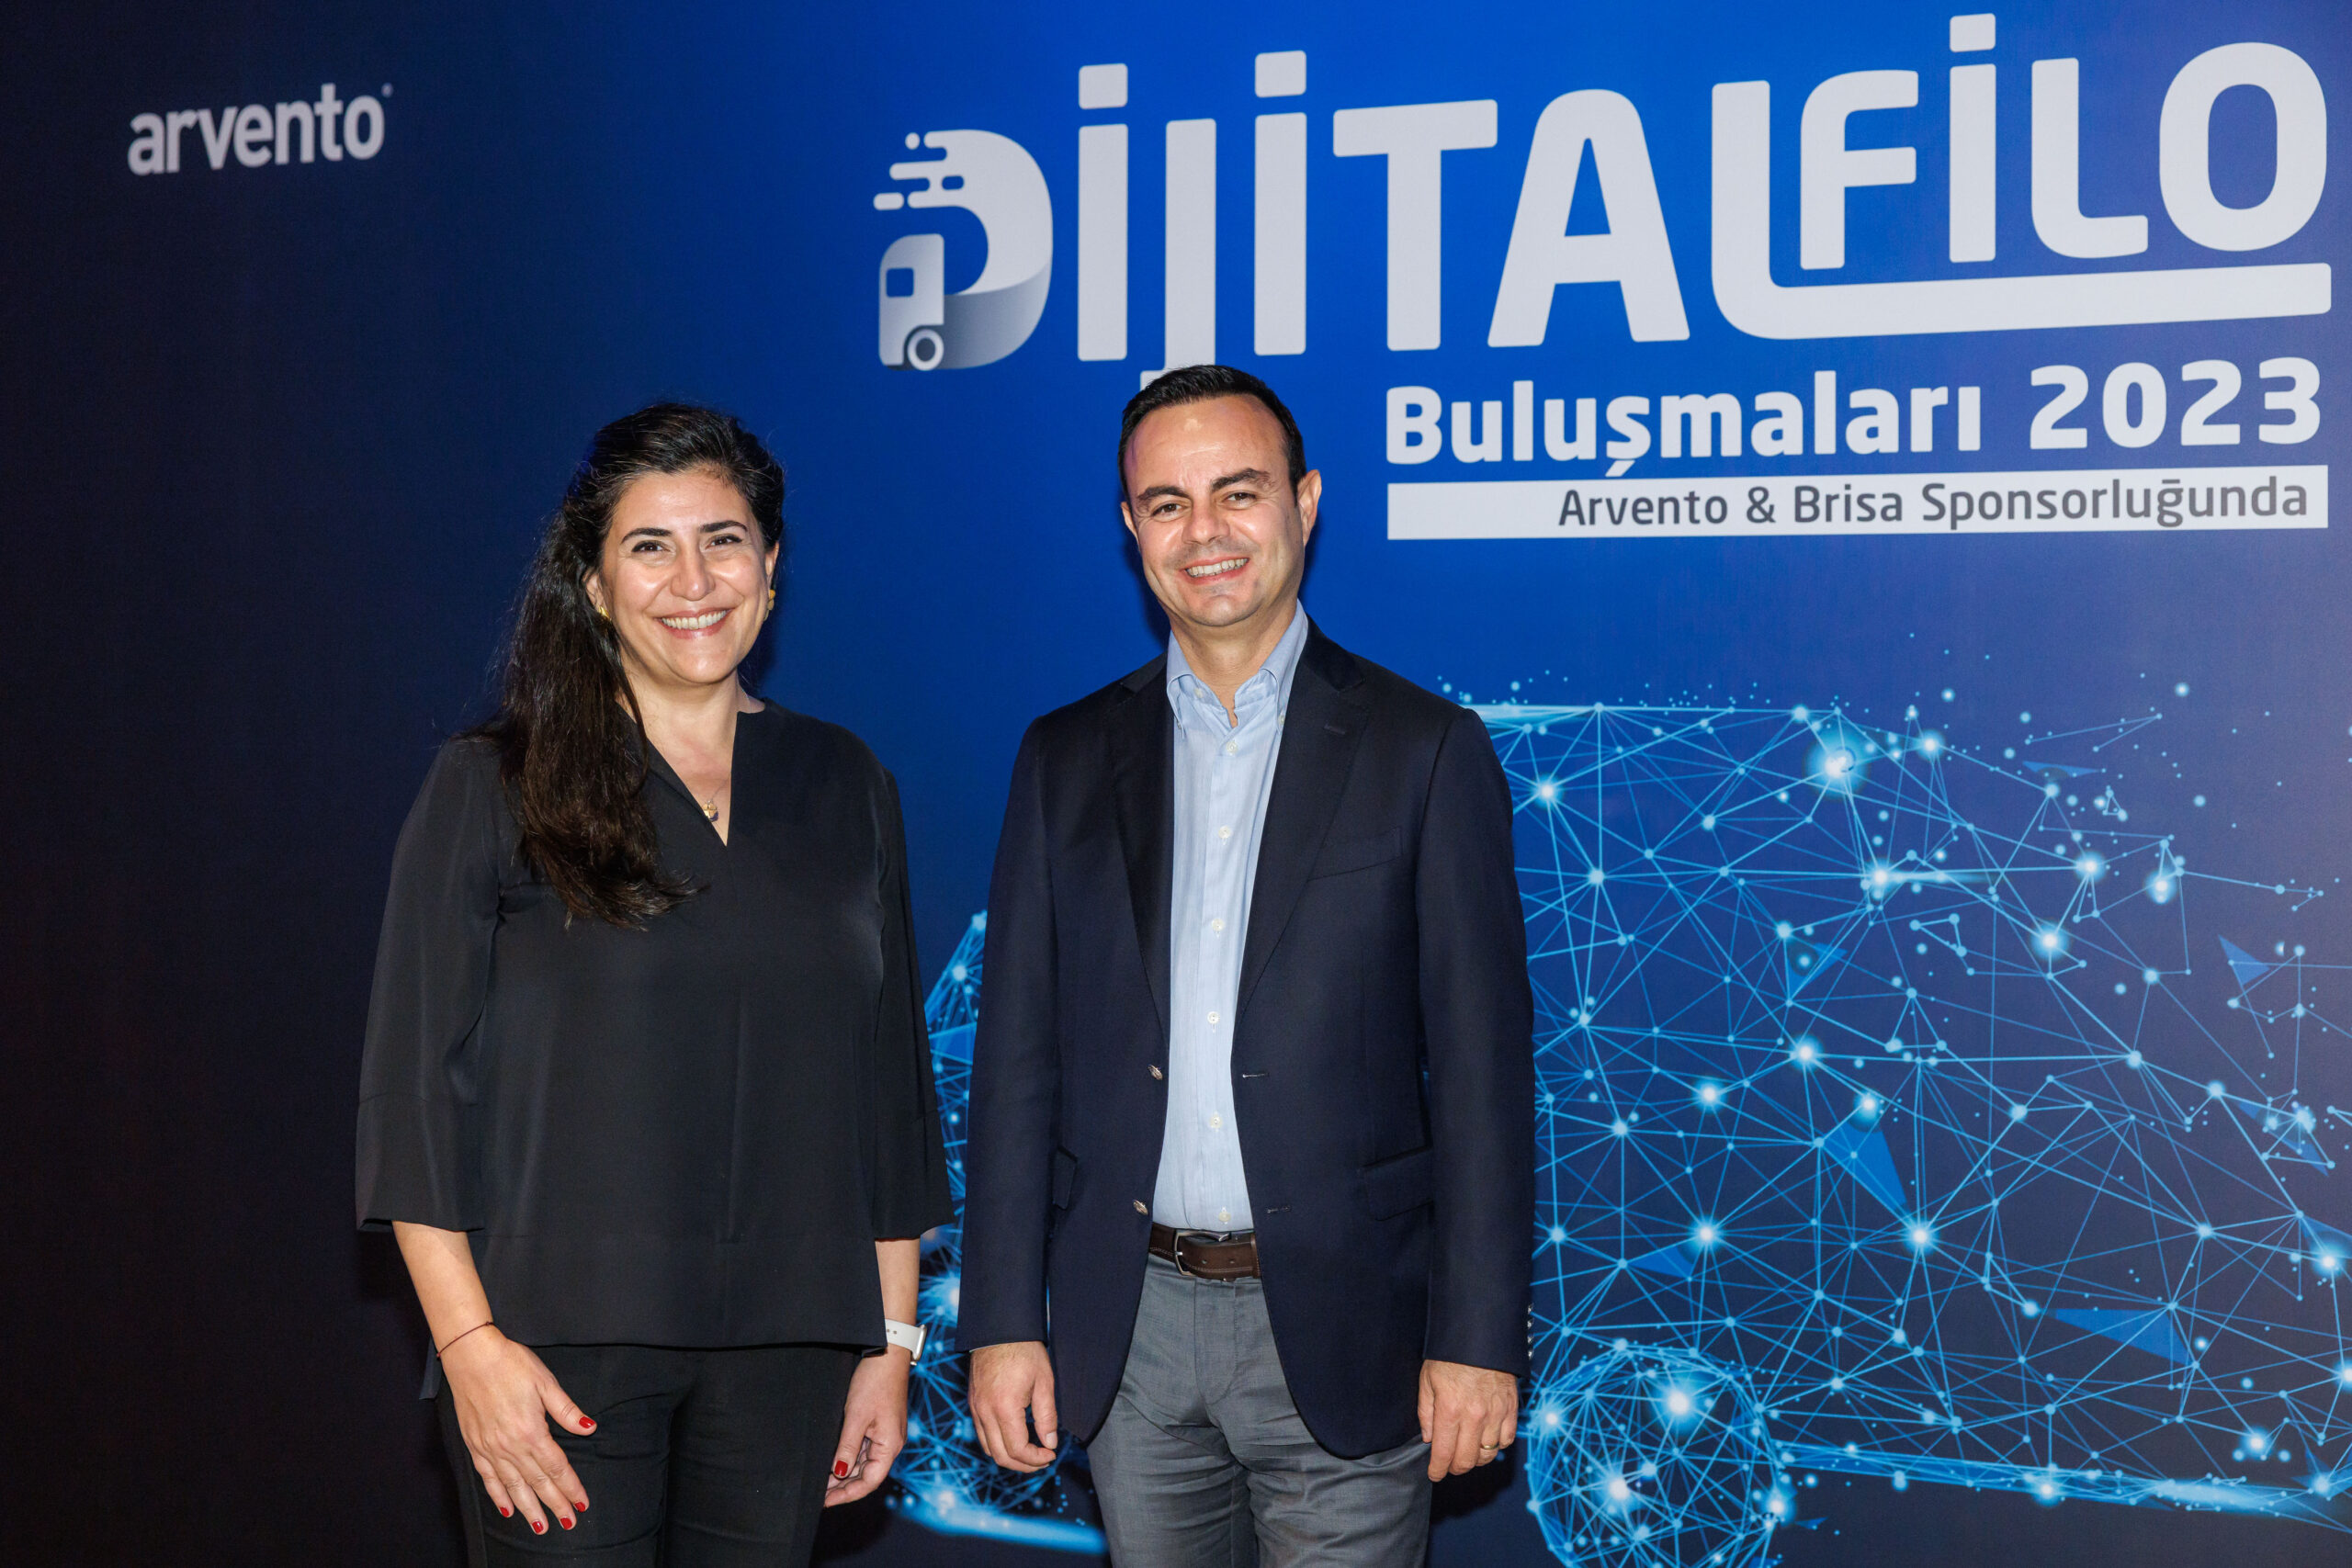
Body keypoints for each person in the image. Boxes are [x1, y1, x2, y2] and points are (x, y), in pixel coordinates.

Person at [356, 403, 952, 1566]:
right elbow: (413, 1090)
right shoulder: (494, 783)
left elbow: (889, 1095)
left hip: (792, 1355)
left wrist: (890, 1347)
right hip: (553, 1354)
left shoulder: (846, 780)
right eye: (649, 547)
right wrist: (470, 1350)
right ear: (592, 584)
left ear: (770, 566)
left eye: (723, 541)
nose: (693, 581)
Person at [959, 366, 1534, 1564]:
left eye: (1238, 491)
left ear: (1304, 503)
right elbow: (1015, 1062)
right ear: (1130, 527)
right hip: (1129, 1331)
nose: (1205, 531)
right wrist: (1002, 1320)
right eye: (1166, 503)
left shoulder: (1425, 749)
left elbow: (1483, 1073)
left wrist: (1477, 1336)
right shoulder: (1064, 757)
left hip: (1349, 1327)